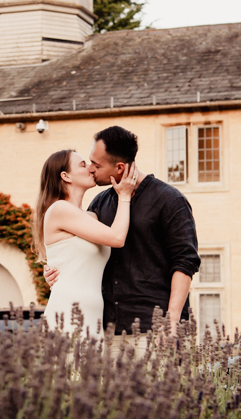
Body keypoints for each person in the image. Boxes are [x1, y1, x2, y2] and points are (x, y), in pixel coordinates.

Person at [45, 126, 200, 349]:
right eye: (88, 163)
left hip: (153, 328)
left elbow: (186, 262)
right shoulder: (99, 203)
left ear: (119, 167)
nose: (91, 169)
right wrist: (56, 268)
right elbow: (75, 245)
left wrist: (172, 320)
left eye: (96, 165)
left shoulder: (170, 200)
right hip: (107, 330)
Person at [33, 149, 140, 338]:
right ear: (65, 176)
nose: (91, 169)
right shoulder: (59, 209)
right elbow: (116, 238)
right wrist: (124, 195)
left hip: (94, 315)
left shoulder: (91, 216)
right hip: (67, 310)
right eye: (83, 165)